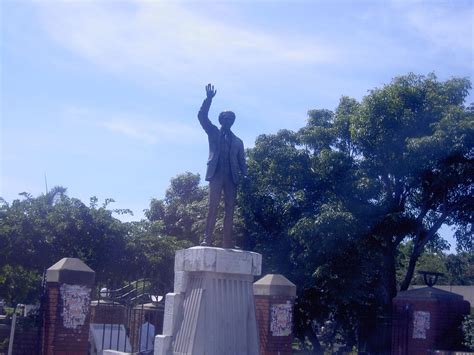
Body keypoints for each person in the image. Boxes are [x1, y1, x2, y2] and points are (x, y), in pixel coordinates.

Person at [198, 83, 247, 248]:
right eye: (225, 119)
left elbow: (242, 163)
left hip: (232, 178)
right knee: (212, 207)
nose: (228, 121)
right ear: (221, 120)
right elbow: (202, 117)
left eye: (230, 119)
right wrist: (208, 99)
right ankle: (207, 238)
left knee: (230, 210)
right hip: (216, 174)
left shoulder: (238, 142)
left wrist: (246, 177)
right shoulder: (213, 132)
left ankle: (227, 242)